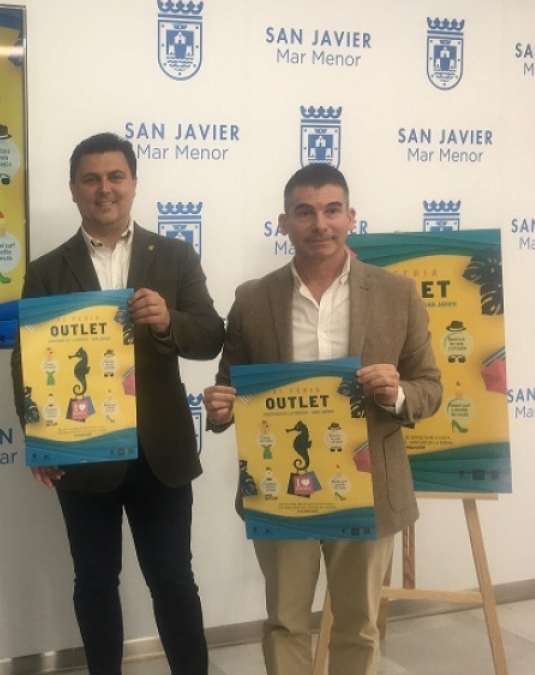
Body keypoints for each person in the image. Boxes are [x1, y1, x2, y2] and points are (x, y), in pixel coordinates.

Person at [203, 164, 442, 675]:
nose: (320, 224)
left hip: (369, 485)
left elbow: (431, 387)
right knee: (285, 622)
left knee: (358, 625)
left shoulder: (397, 293)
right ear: (284, 223)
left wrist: (398, 393)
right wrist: (220, 409)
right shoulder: (252, 299)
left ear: (351, 217)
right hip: (280, 490)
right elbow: (232, 386)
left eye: (332, 210)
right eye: (305, 212)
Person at [11, 132, 225, 674]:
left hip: (161, 452)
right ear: (73, 189)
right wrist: (38, 437)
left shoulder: (174, 255)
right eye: (91, 179)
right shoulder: (46, 270)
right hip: (81, 448)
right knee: (95, 581)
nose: (104, 189)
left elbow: (210, 336)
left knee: (173, 579)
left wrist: (169, 321)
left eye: (115, 177)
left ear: (133, 183)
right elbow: (25, 361)